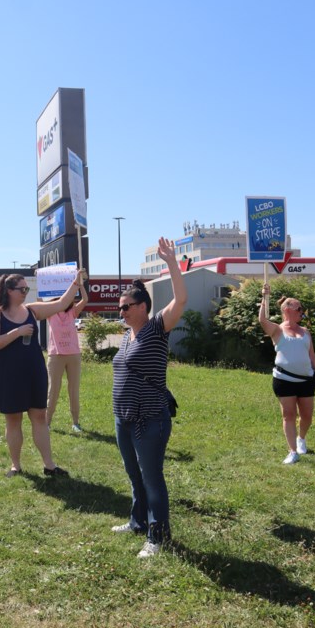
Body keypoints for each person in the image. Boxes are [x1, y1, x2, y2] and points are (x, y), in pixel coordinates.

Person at [110, 237, 186, 558]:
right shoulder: (127, 335)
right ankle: (138, 521)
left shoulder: (157, 328)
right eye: (120, 308)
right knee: (133, 474)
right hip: (123, 417)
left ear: (143, 306)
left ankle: (158, 536)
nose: (122, 312)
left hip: (150, 417)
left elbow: (180, 300)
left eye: (126, 307)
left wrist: (171, 263)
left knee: (152, 477)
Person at [0, 269, 84, 478]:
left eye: (27, 288)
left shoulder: (32, 310)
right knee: (13, 419)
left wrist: (75, 284)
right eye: (22, 289)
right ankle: (16, 466)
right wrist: (16, 332)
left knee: (39, 415)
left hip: (33, 369)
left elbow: (60, 304)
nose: (26, 292)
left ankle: (49, 465)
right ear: (9, 291)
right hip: (6, 372)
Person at [259, 284, 315, 465]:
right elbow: (262, 320)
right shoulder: (277, 330)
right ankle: (292, 451)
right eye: (299, 309)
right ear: (287, 310)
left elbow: (312, 355)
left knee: (307, 416)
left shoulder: (305, 332)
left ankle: (301, 439)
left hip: (306, 380)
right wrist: (264, 298)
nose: (302, 312)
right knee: (288, 415)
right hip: (284, 380)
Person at [45, 273, 89, 432]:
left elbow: (85, 300)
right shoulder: (50, 313)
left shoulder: (73, 313)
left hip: (73, 356)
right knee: (53, 390)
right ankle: (47, 423)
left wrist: (80, 284)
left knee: (74, 389)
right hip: (56, 355)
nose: (68, 300)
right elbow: (39, 301)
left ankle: (76, 423)